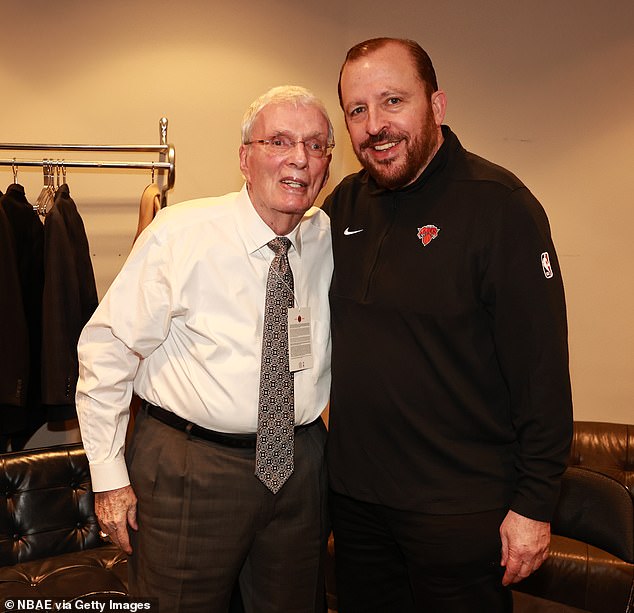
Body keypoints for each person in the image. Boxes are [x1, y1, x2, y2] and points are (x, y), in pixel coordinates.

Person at [323, 37, 573, 612]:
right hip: (358, 510)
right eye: (357, 110)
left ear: (436, 107)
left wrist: (535, 505)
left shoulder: (501, 207)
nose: (375, 126)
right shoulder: (344, 207)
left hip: (459, 515)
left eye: (392, 102)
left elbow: (542, 375)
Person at [76, 85, 335, 613]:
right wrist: (108, 478)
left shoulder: (325, 236)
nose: (299, 159)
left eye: (315, 145)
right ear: (245, 158)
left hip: (300, 465)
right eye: (279, 141)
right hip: (193, 466)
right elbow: (106, 352)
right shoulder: (181, 236)